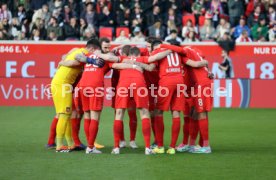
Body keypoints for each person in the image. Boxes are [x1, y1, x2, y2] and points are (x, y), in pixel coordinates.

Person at [148, 41, 209, 155]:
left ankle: (160, 146)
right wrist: (205, 63)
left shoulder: (157, 51)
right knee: (176, 113)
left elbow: (151, 64)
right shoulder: (179, 53)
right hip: (180, 83)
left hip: (166, 82)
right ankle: (172, 147)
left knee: (158, 112)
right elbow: (195, 64)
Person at [50, 38, 104, 152]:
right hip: (63, 85)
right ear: (92, 49)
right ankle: (59, 146)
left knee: (66, 114)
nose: (96, 54)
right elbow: (75, 61)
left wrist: (62, 60)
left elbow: (66, 55)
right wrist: (63, 62)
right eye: (96, 51)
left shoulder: (76, 49)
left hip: (60, 83)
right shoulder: (84, 53)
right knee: (64, 114)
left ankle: (70, 143)